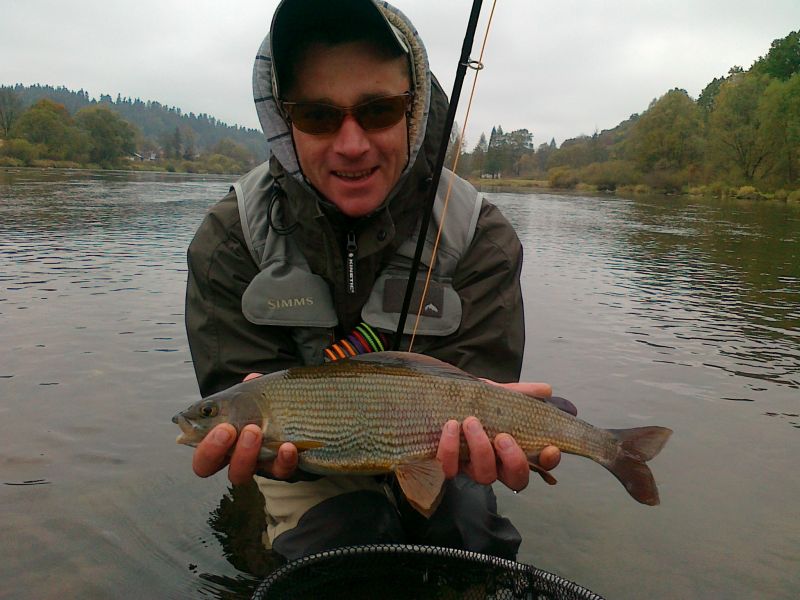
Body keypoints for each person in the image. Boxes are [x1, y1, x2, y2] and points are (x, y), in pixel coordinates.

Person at [185, 0, 564, 562]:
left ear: (414, 111)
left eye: (380, 110)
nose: (352, 144)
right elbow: (231, 380)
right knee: (336, 551)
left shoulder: (479, 235)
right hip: (306, 462)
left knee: (469, 537)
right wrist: (261, 449)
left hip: (441, 449)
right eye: (317, 115)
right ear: (283, 121)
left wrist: (507, 435)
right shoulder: (230, 239)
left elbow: (485, 384)